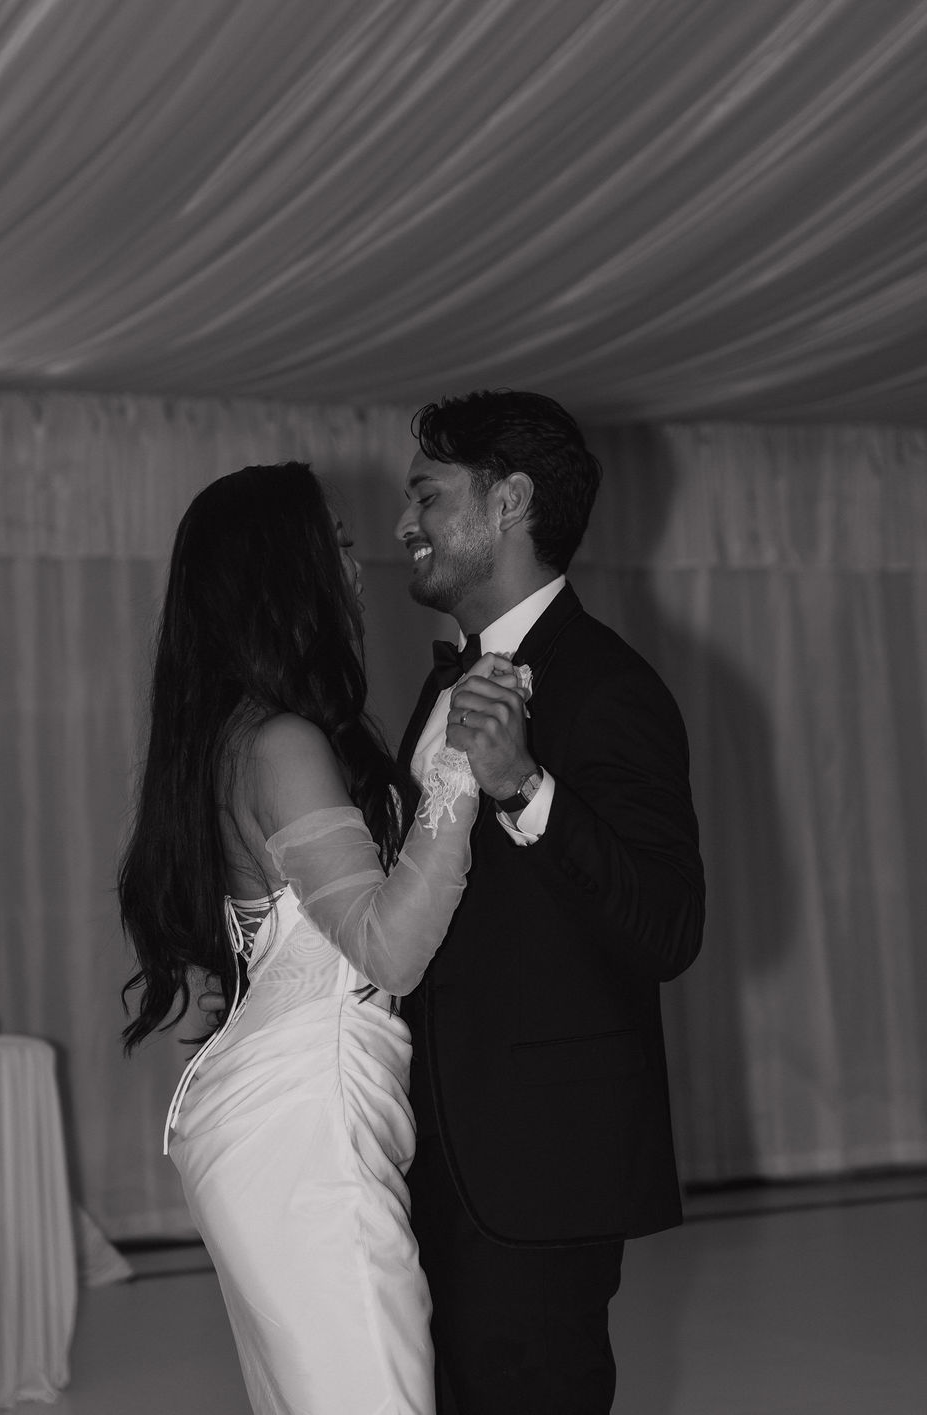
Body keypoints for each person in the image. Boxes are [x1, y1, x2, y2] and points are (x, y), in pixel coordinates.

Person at [117, 461, 524, 1415]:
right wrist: (460, 774)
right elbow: (386, 950)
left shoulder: (238, 734)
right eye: (336, 541)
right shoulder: (280, 744)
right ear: (282, 569)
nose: (357, 559)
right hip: (308, 1120)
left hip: (284, 1107)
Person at [394, 389, 705, 1415]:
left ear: (510, 500)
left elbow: (668, 925)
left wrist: (527, 786)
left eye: (427, 497)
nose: (406, 526)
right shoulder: (437, 686)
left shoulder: (610, 686)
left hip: (539, 1168)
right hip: (430, 1157)